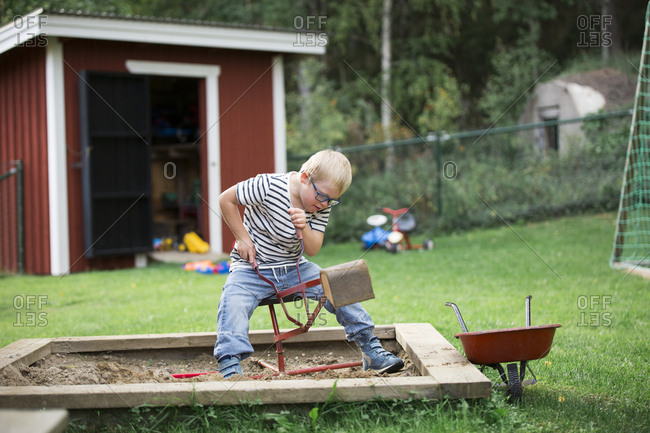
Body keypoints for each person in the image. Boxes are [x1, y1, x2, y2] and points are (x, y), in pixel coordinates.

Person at [214, 149, 404, 378]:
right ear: (304, 178)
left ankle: (370, 349)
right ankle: (230, 363)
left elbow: (313, 249)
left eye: (333, 200)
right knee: (233, 301)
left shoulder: (321, 205)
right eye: (322, 196)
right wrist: (242, 238)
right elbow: (225, 199)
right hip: (252, 269)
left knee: (339, 283)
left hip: (295, 268)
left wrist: (304, 226)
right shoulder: (267, 185)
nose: (325, 204)